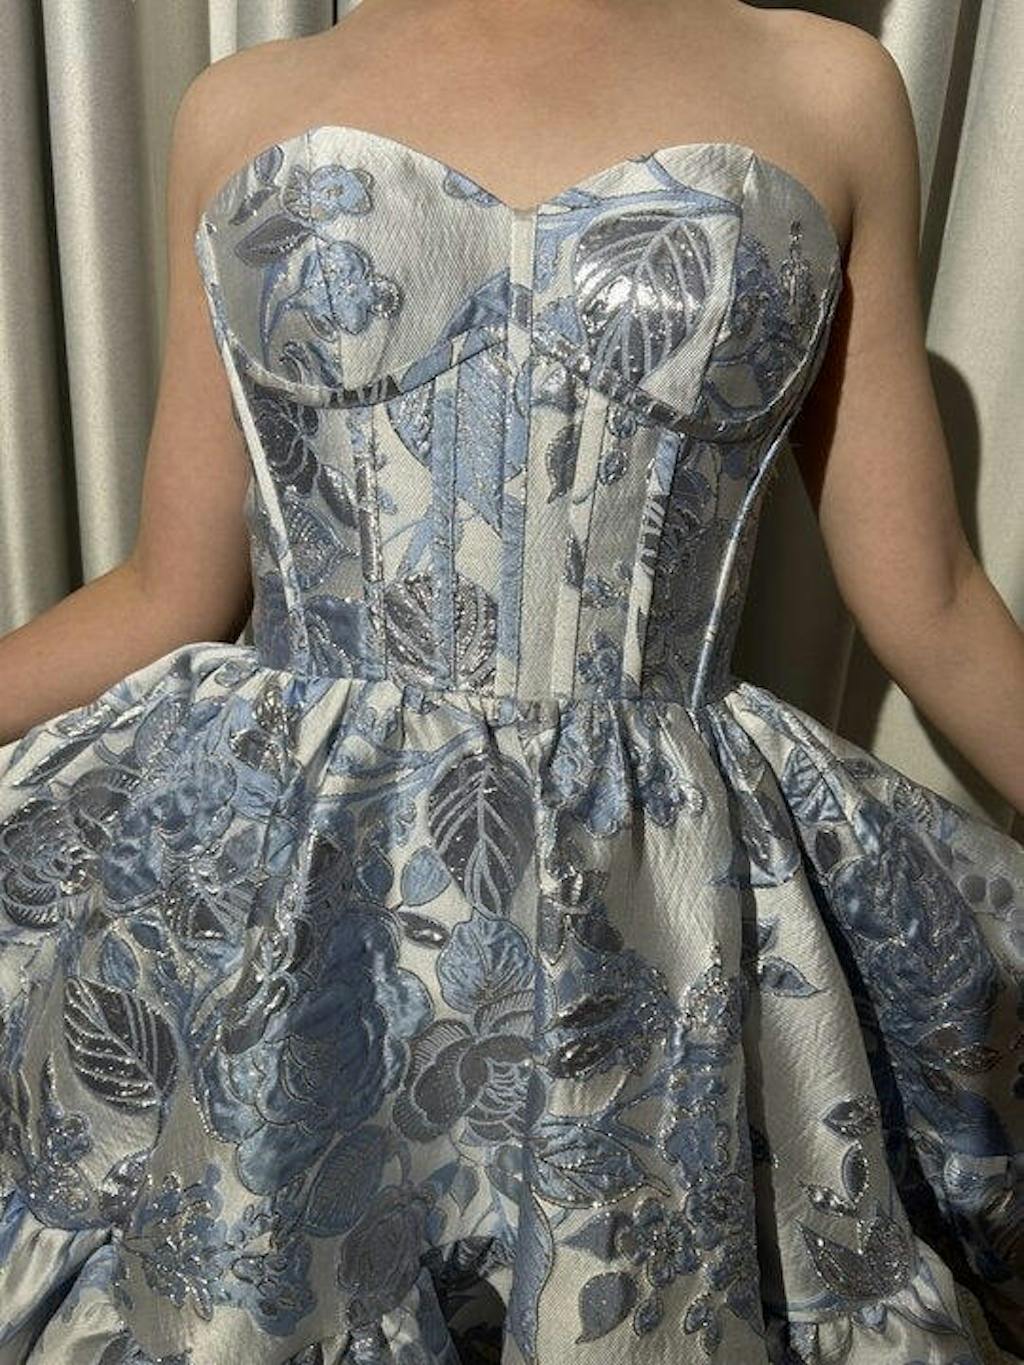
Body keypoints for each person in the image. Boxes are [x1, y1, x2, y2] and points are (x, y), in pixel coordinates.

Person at [0, 1, 1021, 1362]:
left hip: (653, 899)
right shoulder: (239, 107)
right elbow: (168, 589)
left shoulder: (831, 90)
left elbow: (930, 599)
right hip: (302, 892)